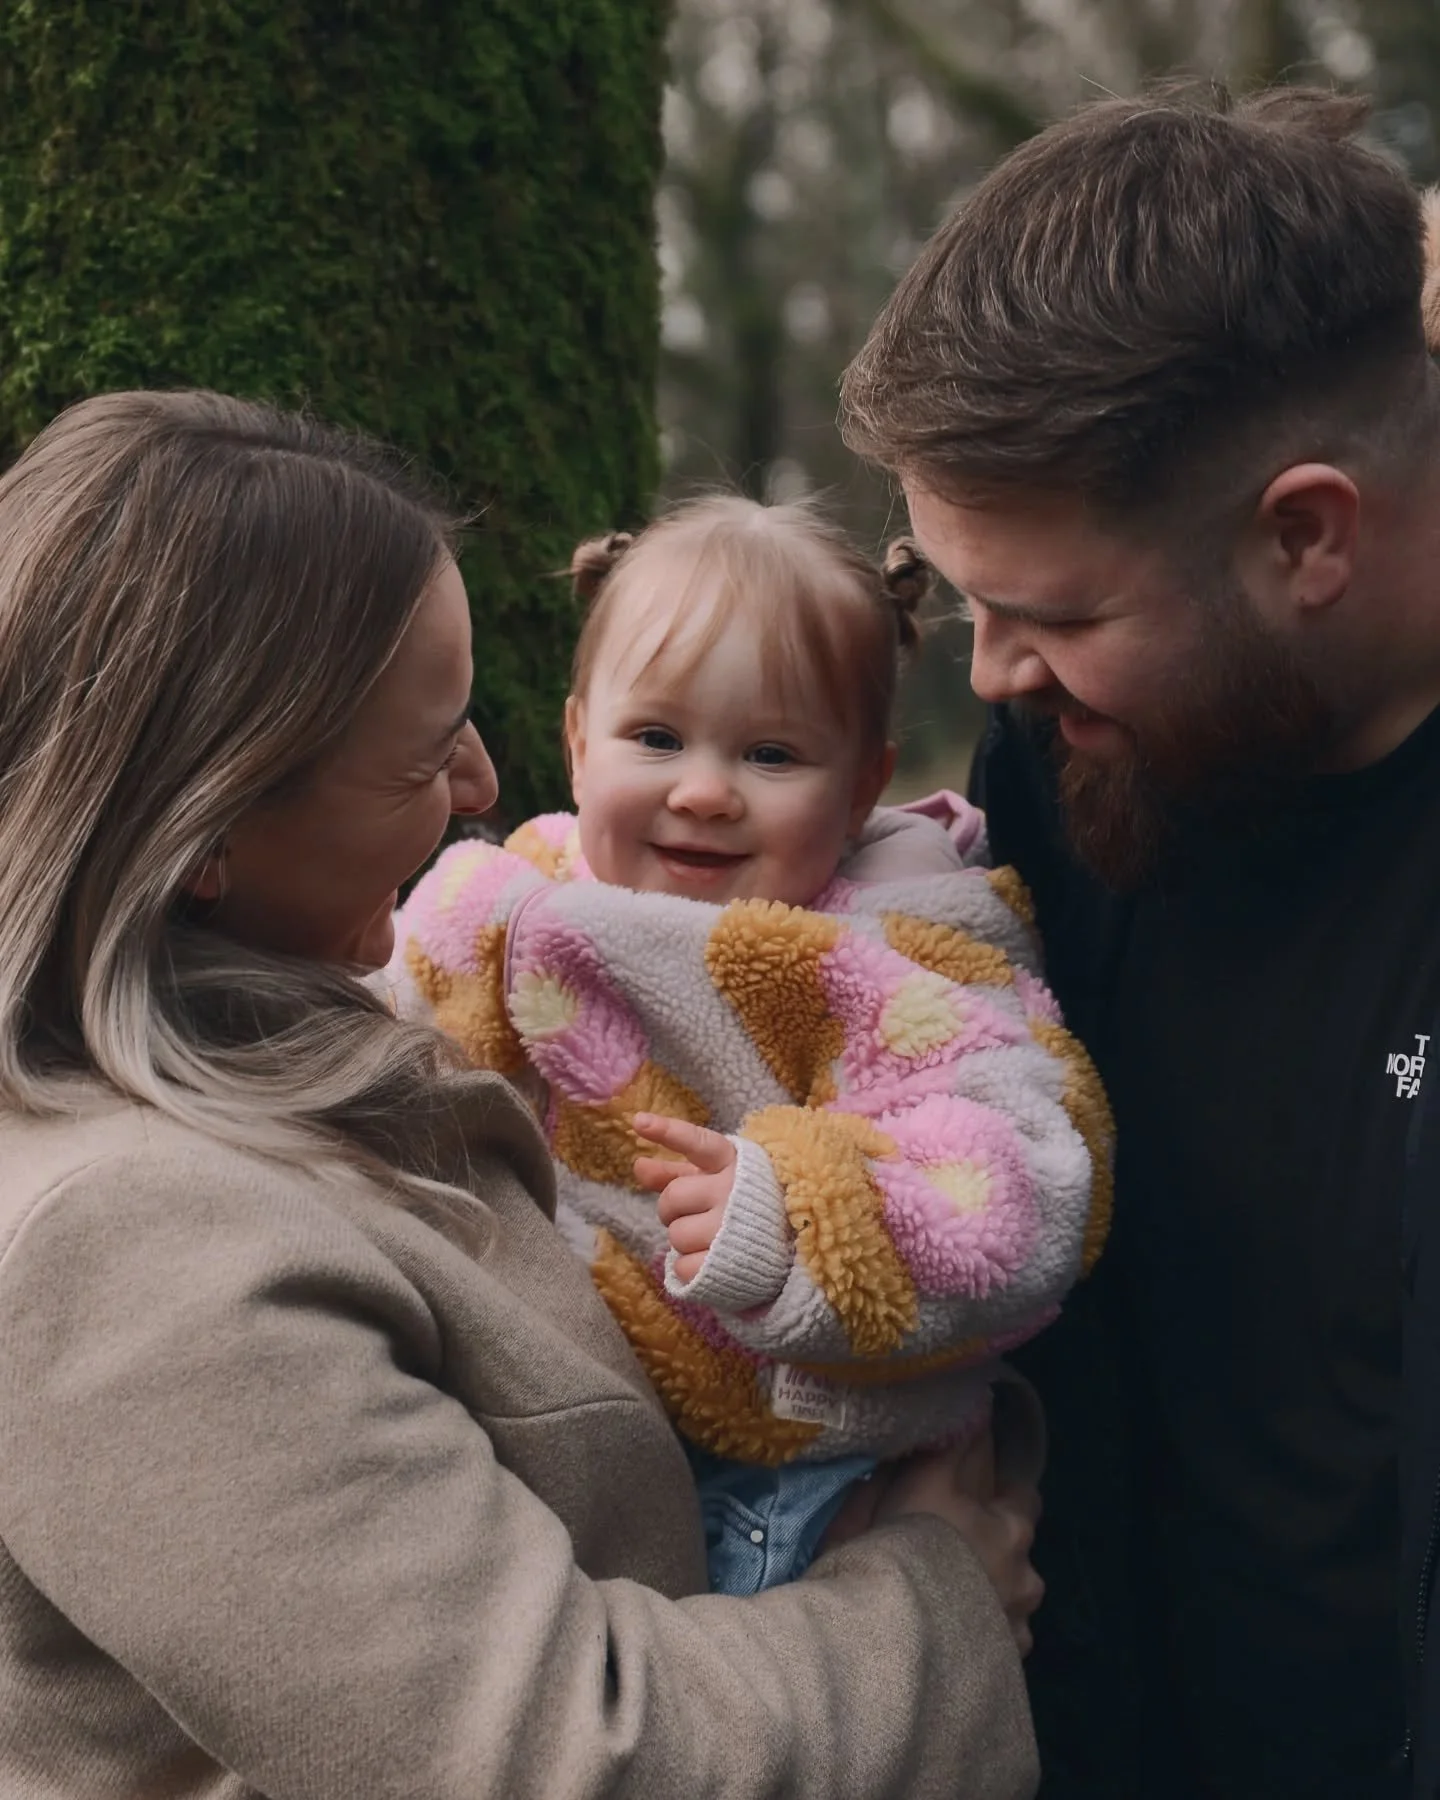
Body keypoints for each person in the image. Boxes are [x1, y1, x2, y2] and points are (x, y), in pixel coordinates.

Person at [0, 390, 1047, 1799]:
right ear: (210, 831)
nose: (487, 783)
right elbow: (557, 1756)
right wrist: (937, 1597)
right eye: (426, 751)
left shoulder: (308, 1052)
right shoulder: (128, 1260)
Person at [839, 83, 1440, 1799]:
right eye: (961, 599)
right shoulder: (1071, 763)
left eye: (1054, 614)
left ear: (1306, 534)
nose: (990, 675)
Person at [388, 494, 1112, 1596]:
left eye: (771, 754)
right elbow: (380, 1030)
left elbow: (1020, 1182)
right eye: (656, 738)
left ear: (860, 786)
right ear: (579, 745)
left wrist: (794, 1216)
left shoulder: (895, 952)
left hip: (803, 1463)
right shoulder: (509, 901)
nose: (703, 792)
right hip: (571, 1412)